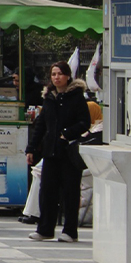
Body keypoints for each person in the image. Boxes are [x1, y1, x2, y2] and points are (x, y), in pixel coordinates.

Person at [27, 61, 90, 243]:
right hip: (51, 151)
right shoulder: (49, 97)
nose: (56, 77)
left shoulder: (77, 97)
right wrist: (32, 148)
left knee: (70, 192)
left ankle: (70, 231)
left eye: (60, 74)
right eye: (53, 74)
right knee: (47, 191)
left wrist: (67, 134)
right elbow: (41, 125)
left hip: (69, 152)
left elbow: (84, 122)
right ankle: (45, 229)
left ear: (68, 76)